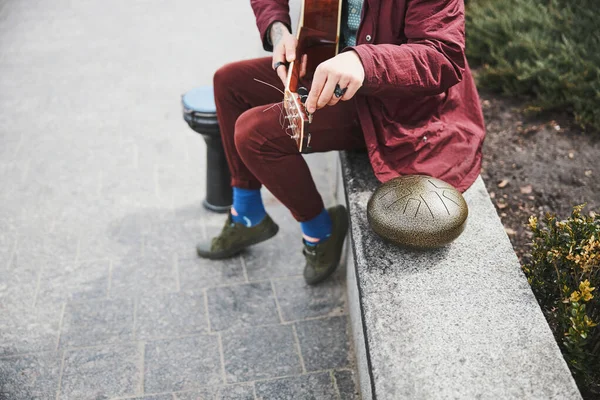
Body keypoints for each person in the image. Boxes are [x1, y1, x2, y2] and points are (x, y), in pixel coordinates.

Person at [196, 0, 485, 285]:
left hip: (394, 104)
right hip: (329, 59)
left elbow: (442, 57)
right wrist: (278, 29)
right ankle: (247, 214)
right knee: (228, 82)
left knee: (254, 133)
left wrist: (362, 60)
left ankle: (320, 232)